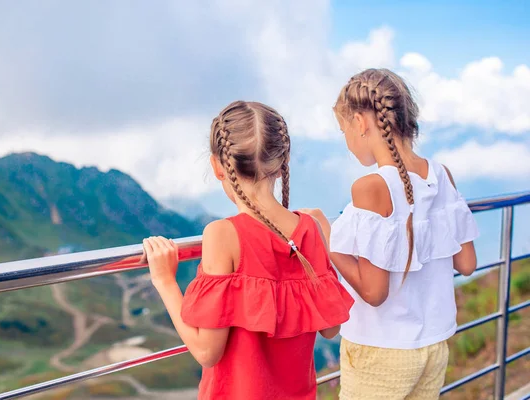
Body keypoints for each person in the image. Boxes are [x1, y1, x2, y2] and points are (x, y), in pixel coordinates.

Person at [143, 100, 354, 400]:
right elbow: (331, 328)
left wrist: (164, 281)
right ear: (282, 163)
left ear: (218, 166)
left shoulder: (222, 234)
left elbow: (206, 351)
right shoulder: (308, 228)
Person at [329, 68, 479, 400]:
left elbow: (375, 292)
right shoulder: (441, 176)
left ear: (360, 122)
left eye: (344, 131)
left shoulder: (370, 187)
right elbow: (467, 263)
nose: (348, 142)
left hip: (381, 349)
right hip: (433, 346)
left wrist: (332, 246)